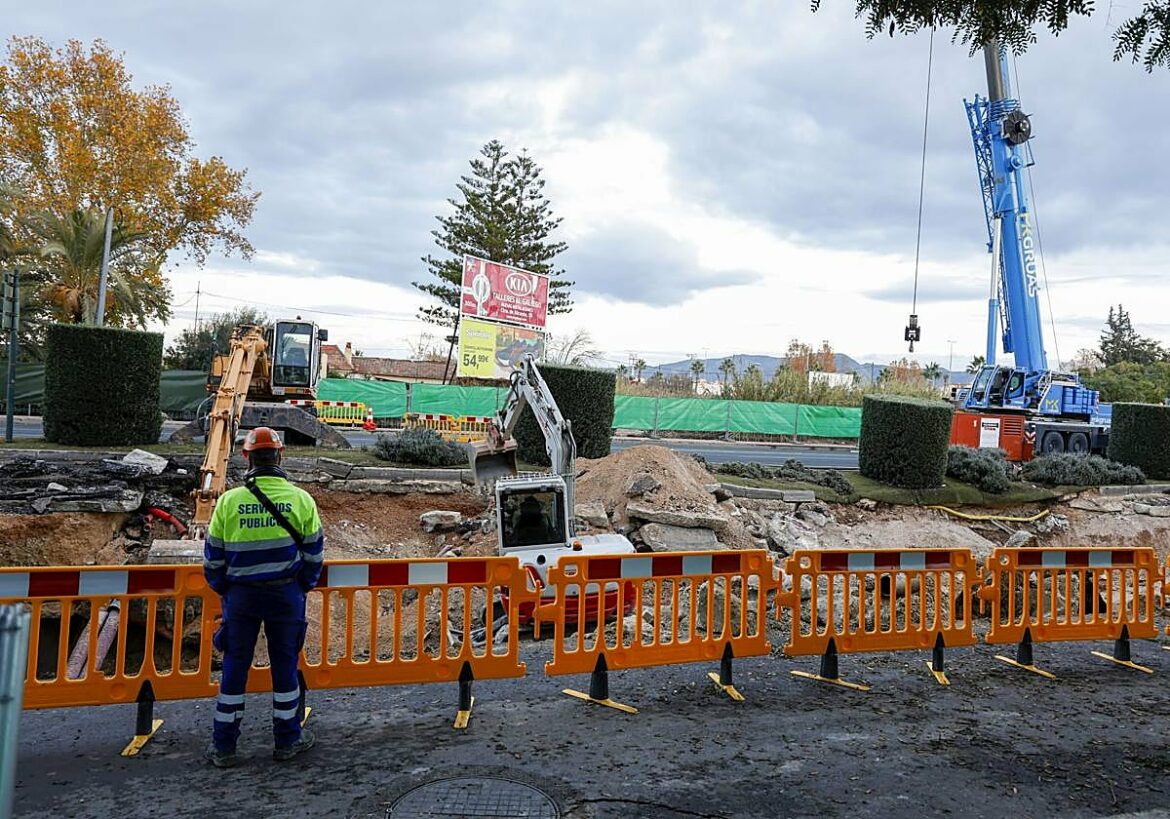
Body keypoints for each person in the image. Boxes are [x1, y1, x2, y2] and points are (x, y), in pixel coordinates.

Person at [203, 426, 325, 768]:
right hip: (285, 595)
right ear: (280, 455)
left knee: (234, 668)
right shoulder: (301, 499)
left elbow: (213, 558)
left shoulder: (229, 501)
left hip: (241, 597)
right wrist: (302, 585)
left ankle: (224, 746)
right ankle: (287, 740)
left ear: (247, 457)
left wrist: (226, 588)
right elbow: (314, 553)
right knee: (285, 666)